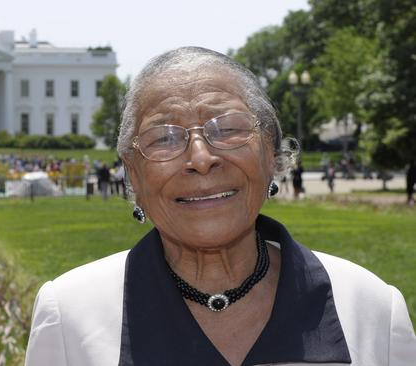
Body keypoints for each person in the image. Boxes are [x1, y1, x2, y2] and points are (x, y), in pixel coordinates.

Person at [25, 47, 416, 366]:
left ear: (270, 155)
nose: (200, 157)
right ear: (133, 175)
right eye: (164, 138)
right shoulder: (69, 315)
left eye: (227, 129)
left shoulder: (372, 309)